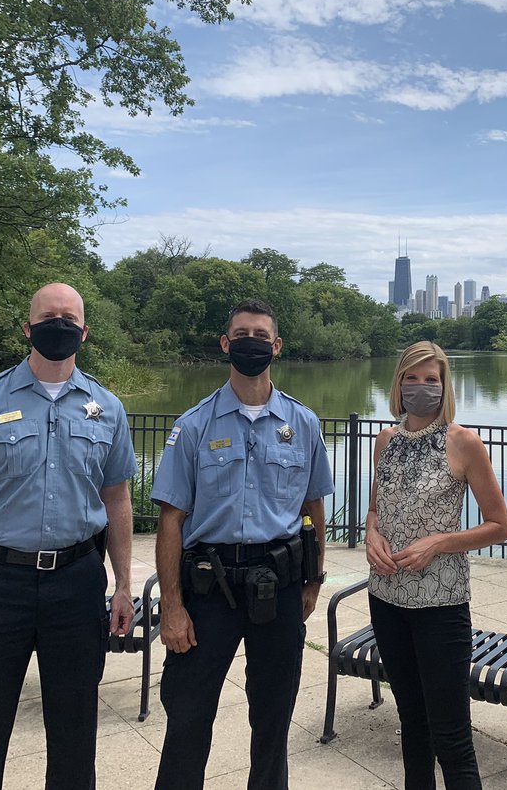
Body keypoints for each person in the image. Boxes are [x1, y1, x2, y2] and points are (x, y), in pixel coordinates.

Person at [0, 282, 137, 790]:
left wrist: (123, 583)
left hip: (78, 584)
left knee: (76, 735)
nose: (58, 324)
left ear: (84, 331)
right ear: (28, 327)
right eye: (48, 316)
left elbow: (118, 500)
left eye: (68, 317)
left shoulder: (108, 409)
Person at [151, 299, 334, 790]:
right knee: (187, 718)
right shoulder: (194, 425)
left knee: (273, 720)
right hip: (209, 591)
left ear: (275, 346)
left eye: (261, 334)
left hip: (279, 584)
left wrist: (315, 578)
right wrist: (171, 605)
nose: (251, 341)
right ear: (226, 344)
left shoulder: (305, 423)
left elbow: (314, 509)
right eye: (241, 333)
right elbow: (171, 519)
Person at [364, 342, 507, 790]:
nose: (421, 387)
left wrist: (440, 542)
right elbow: (375, 509)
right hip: (386, 600)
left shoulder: (463, 442)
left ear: (445, 386)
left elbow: (499, 525)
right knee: (411, 724)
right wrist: (371, 533)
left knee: (451, 736)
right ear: (399, 383)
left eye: (432, 380)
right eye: (412, 378)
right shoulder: (386, 441)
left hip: (440, 605)